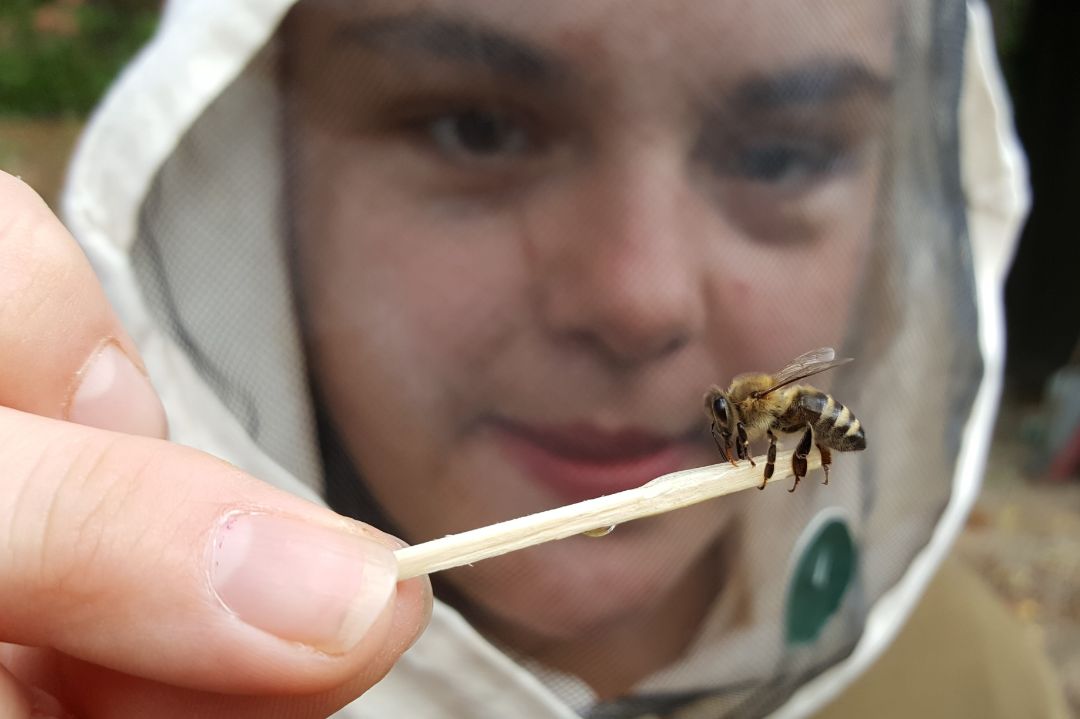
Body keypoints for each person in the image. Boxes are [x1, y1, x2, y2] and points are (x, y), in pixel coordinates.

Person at [0, 0, 1068, 717]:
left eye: (781, 151)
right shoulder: (98, 670)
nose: (635, 297)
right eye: (476, 128)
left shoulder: (975, 685)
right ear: (250, 177)